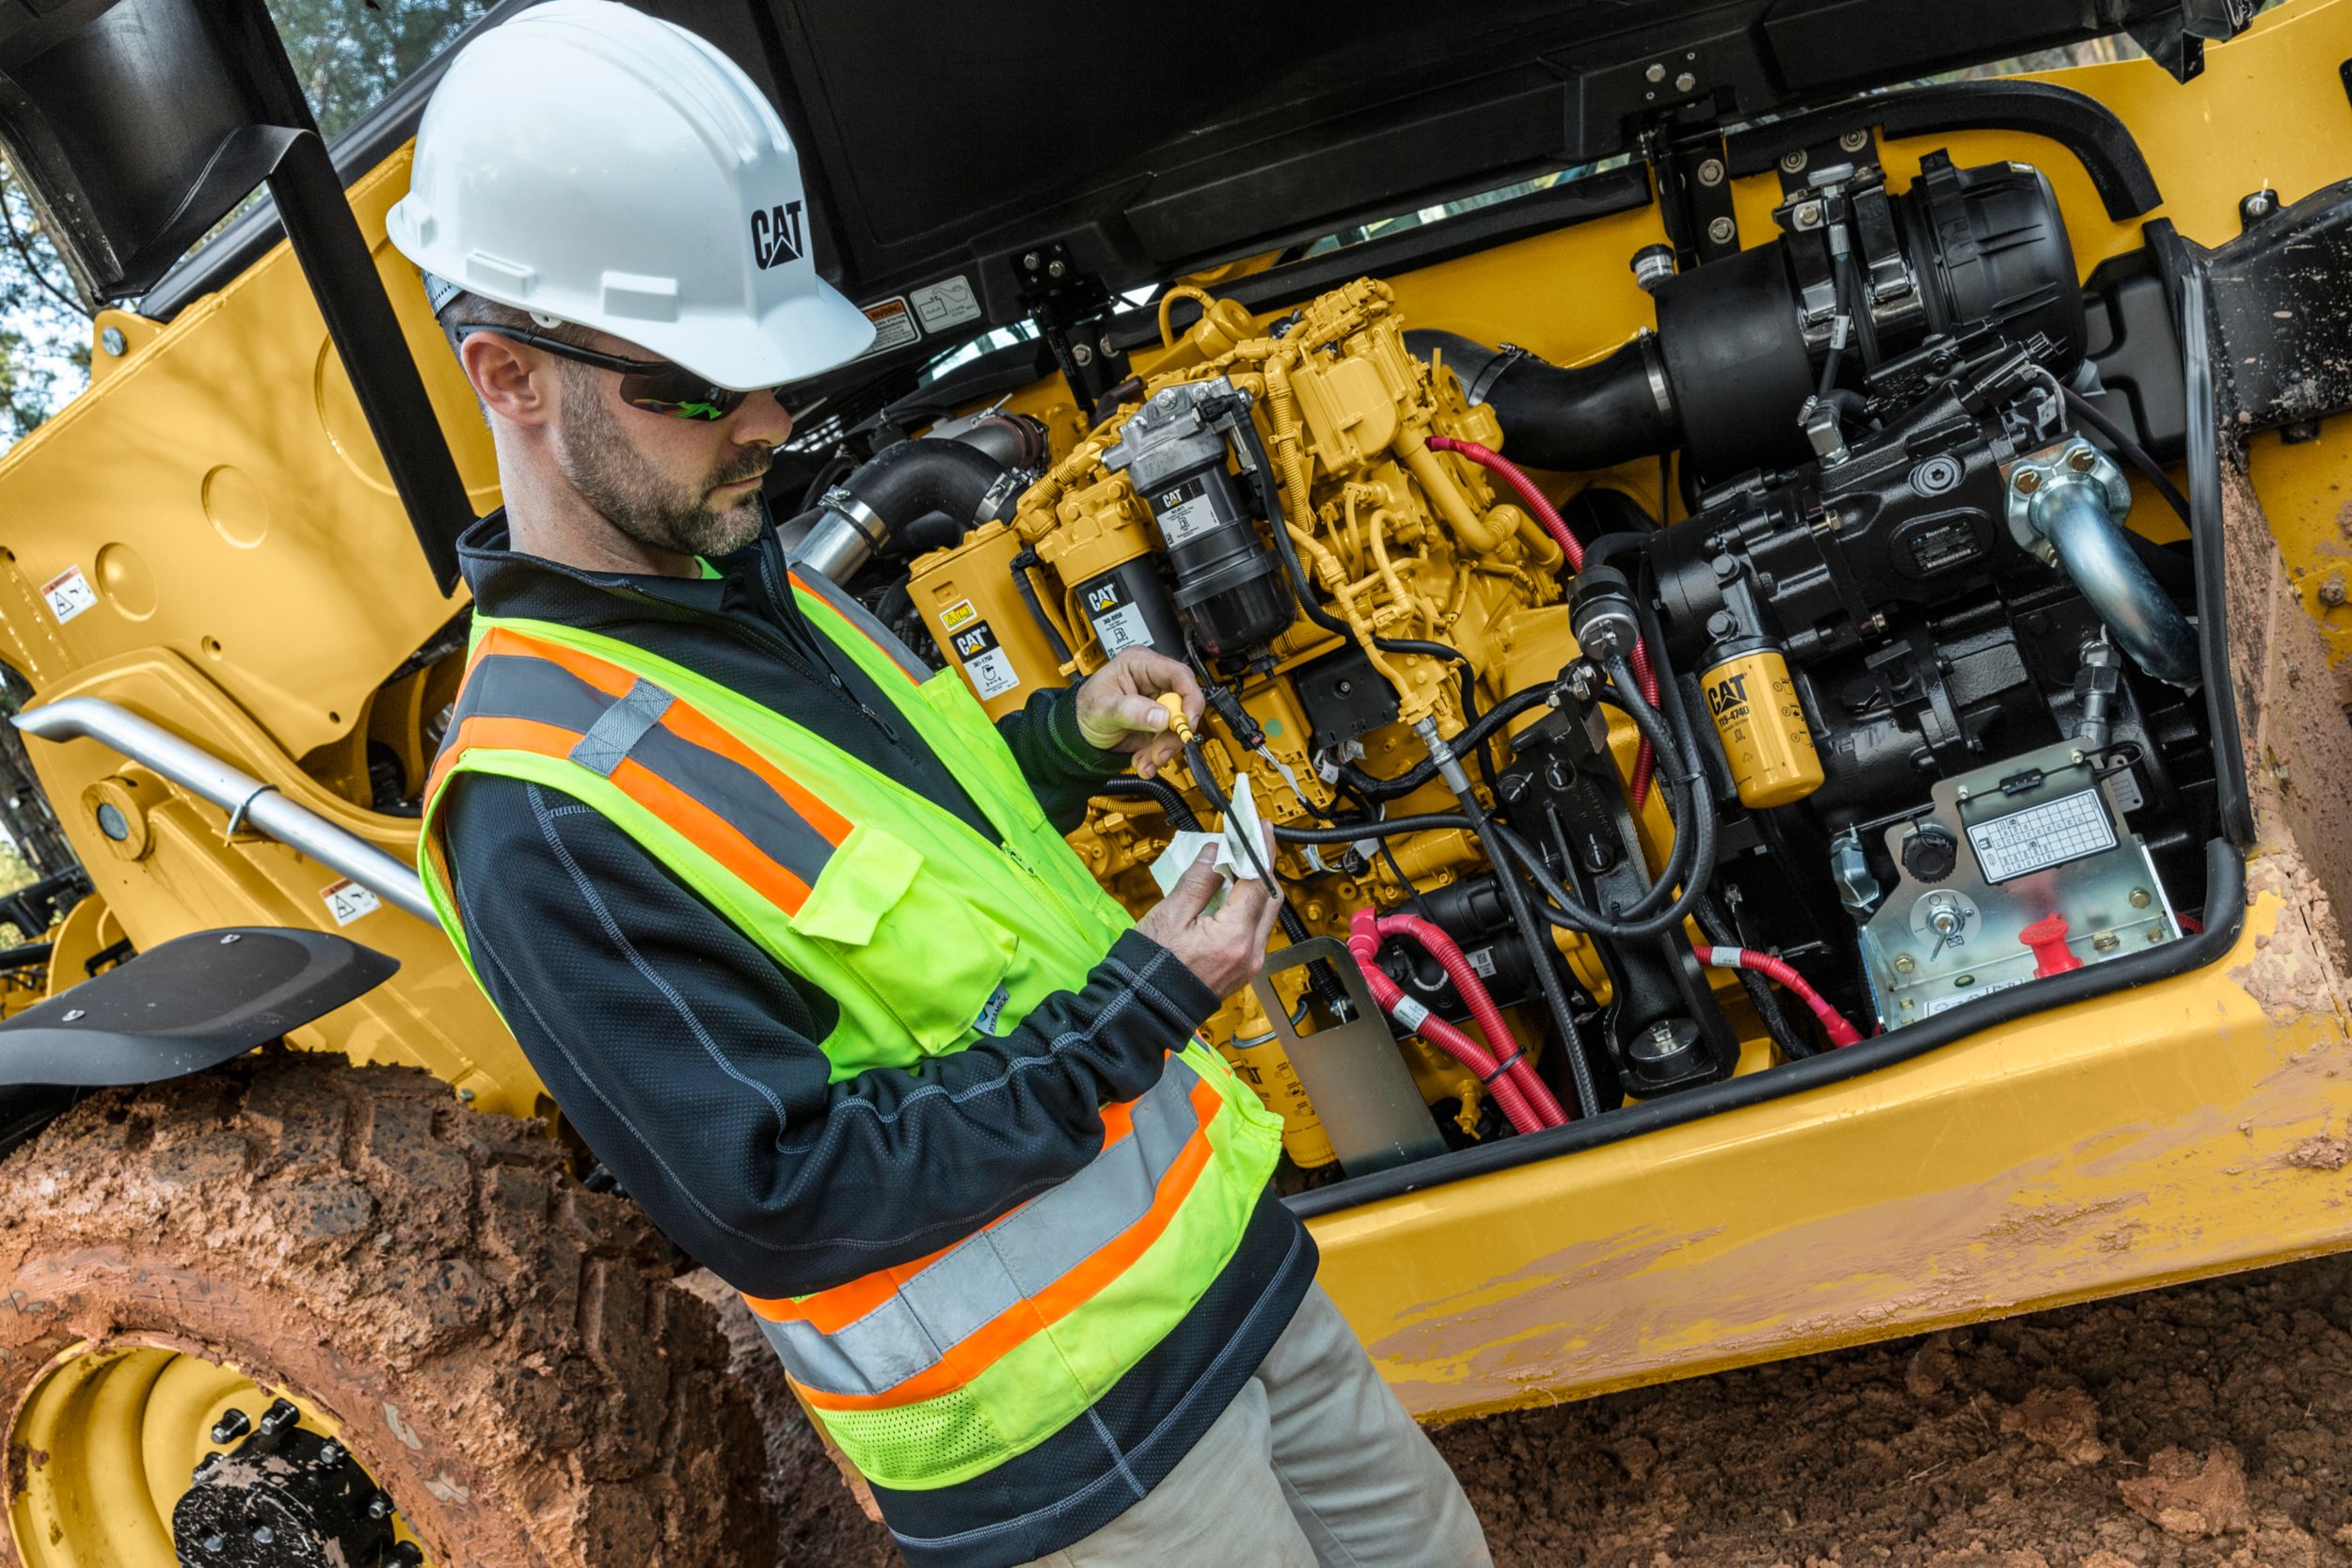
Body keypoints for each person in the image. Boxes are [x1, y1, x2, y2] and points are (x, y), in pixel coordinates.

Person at [392, 5, 1489, 1565]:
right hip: (1075, 1450)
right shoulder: (533, 808)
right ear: (508, 376)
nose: (769, 423)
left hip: (1234, 1282)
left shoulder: (766, 585)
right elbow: (781, 1192)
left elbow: (924, 863)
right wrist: (1143, 1008)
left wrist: (1067, 737)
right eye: (704, 385)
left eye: (774, 374)